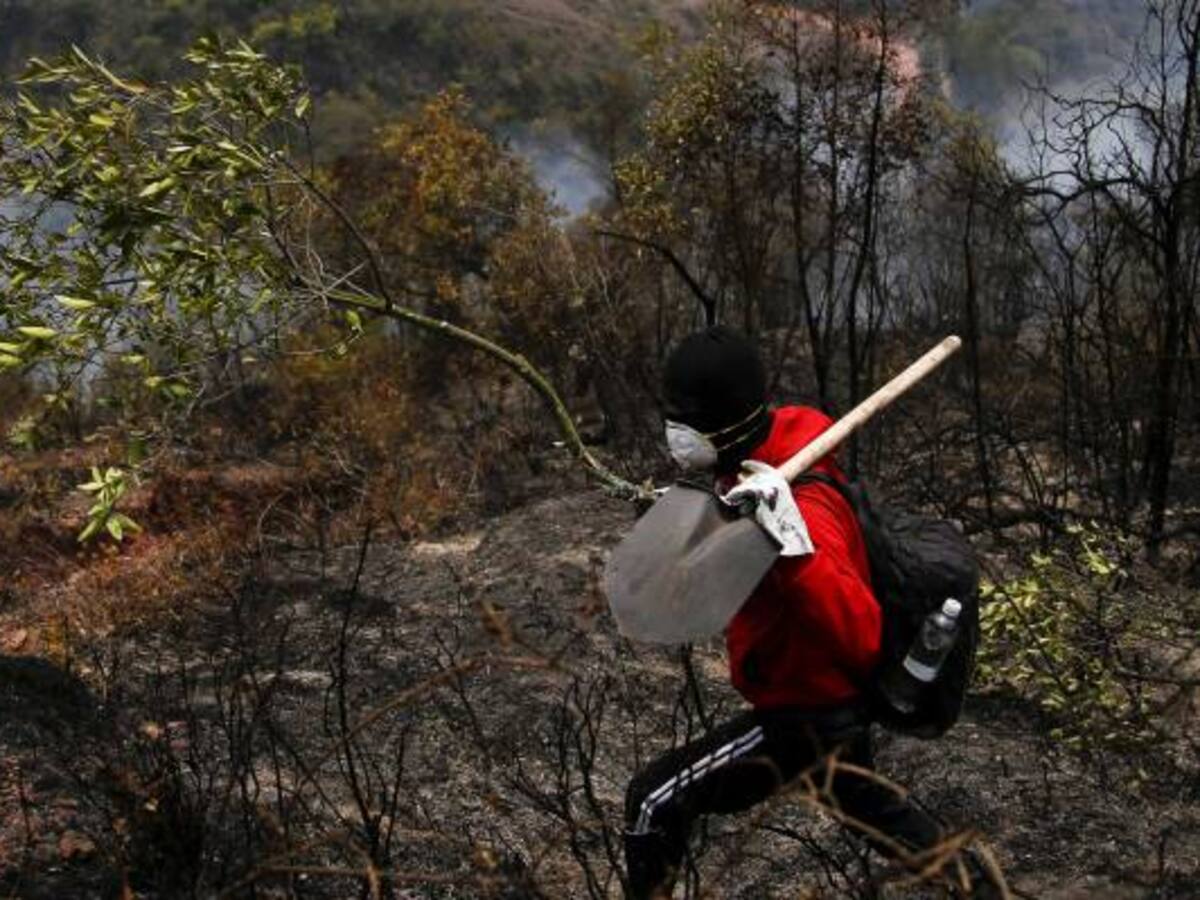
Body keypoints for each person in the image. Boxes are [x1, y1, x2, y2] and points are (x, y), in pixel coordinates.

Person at [623, 326, 993, 899]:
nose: (676, 432)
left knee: (652, 803)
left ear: (723, 421)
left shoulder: (805, 505)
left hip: (807, 719)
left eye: (686, 419)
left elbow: (863, 633)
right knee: (894, 828)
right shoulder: (757, 463)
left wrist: (793, 547)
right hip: (825, 713)